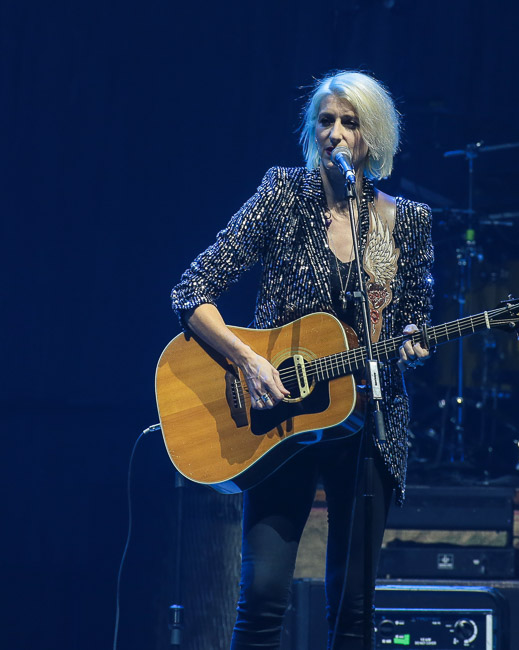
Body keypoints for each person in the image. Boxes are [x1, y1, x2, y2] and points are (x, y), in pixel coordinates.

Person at [170, 70, 434, 650]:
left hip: (371, 424)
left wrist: (414, 338)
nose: (335, 133)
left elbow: (416, 318)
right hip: (277, 419)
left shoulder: (406, 221)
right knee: (264, 594)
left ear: (375, 136)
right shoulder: (284, 195)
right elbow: (192, 290)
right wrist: (248, 362)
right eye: (325, 120)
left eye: (350, 122)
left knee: (354, 606)